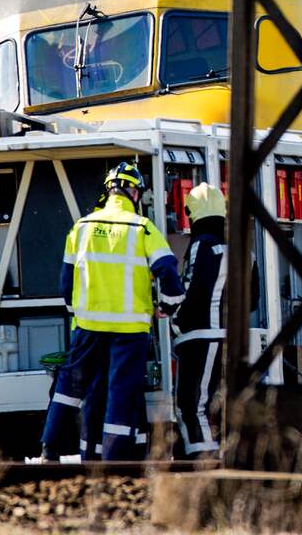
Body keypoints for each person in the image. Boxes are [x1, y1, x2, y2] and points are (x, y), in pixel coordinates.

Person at [39, 162, 184, 461]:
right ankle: (113, 461)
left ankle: (49, 448)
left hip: (88, 325)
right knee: (121, 393)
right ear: (134, 192)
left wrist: (76, 311)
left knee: (71, 385)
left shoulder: (81, 227)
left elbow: (66, 281)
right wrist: (167, 306)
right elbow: (169, 273)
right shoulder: (143, 228)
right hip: (130, 332)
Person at [158, 182, 228, 458]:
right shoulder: (243, 249)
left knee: (190, 404)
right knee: (214, 402)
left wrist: (173, 315)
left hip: (199, 336)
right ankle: (219, 456)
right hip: (227, 336)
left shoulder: (201, 246)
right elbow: (253, 298)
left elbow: (193, 289)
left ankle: (199, 461)